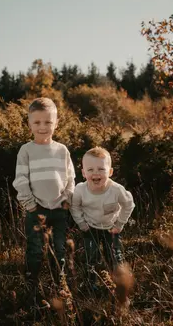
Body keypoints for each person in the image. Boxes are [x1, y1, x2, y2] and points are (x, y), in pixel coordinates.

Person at [13, 97, 75, 307]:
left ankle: (60, 285)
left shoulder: (62, 150)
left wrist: (67, 198)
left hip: (58, 209)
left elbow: (70, 178)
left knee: (59, 249)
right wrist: (30, 204)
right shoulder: (26, 150)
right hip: (36, 209)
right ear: (30, 124)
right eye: (37, 122)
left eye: (48, 122)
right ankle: (31, 287)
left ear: (56, 123)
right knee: (35, 249)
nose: (42, 127)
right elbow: (20, 180)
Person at [70, 146, 135, 293]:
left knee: (114, 256)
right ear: (83, 173)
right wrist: (81, 223)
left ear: (110, 172)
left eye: (101, 169)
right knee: (90, 256)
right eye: (90, 170)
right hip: (90, 228)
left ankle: (119, 283)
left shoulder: (116, 190)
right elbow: (75, 207)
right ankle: (90, 284)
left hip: (111, 228)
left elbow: (129, 205)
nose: (96, 173)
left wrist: (119, 224)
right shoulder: (80, 190)